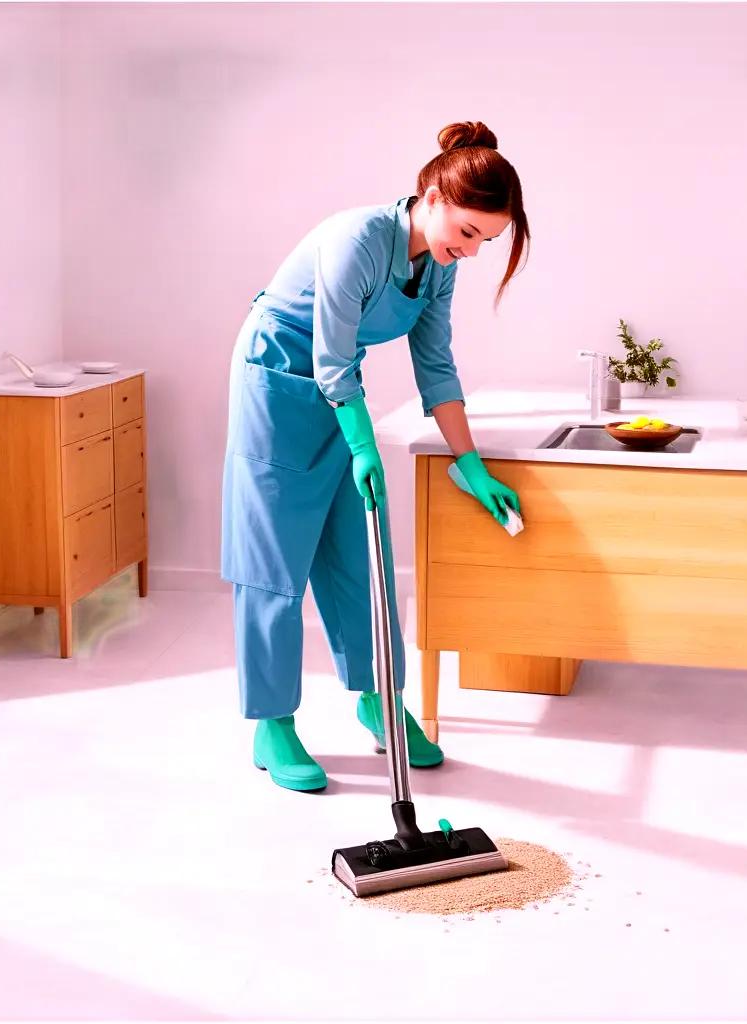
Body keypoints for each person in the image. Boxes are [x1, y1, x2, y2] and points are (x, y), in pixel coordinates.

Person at [221, 120, 530, 792]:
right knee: (273, 563)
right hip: (279, 384)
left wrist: (469, 462)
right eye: (470, 232)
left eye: (487, 240)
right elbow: (330, 357)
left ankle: (379, 701)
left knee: (359, 553)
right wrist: (364, 443)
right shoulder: (358, 238)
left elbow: (437, 366)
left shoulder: (437, 267)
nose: (473, 251)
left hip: (338, 397)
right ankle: (272, 724)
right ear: (435, 197)